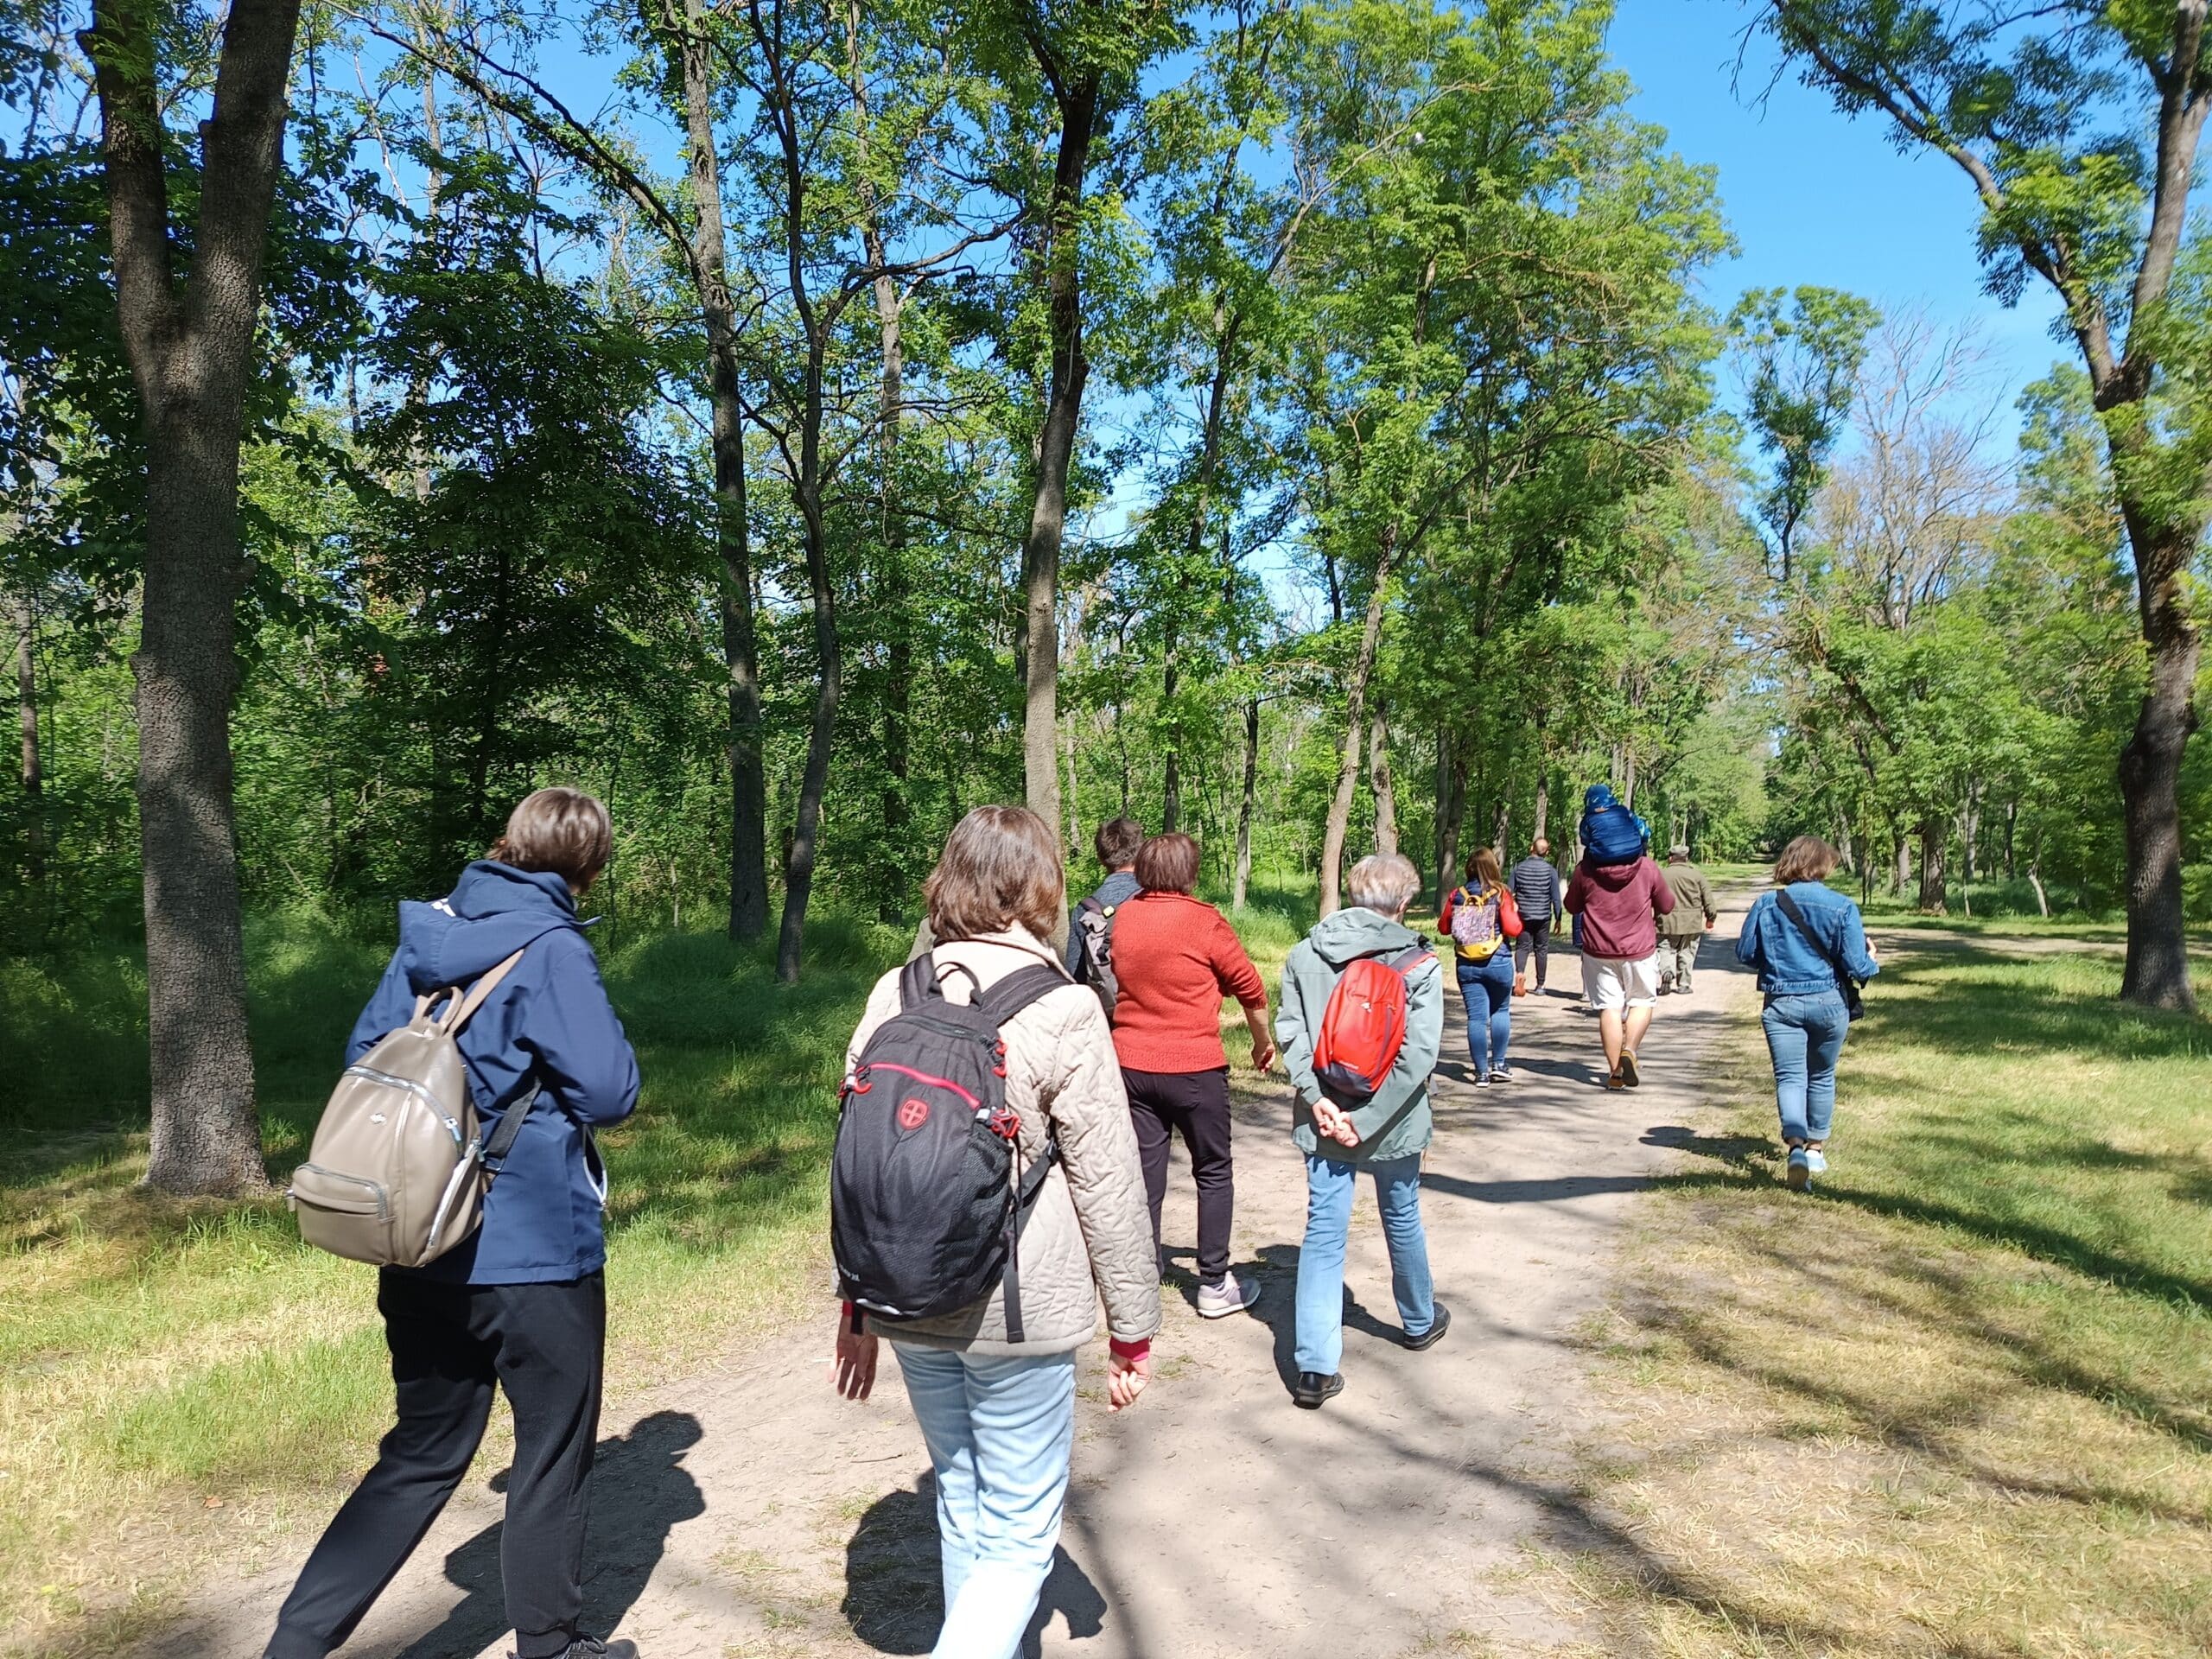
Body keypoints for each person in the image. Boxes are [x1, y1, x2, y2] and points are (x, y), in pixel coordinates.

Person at [265, 789, 641, 1659]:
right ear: (588, 869)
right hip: (532, 1247)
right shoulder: (553, 948)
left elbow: (367, 1056)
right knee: (551, 1447)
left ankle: (295, 1643)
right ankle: (551, 1646)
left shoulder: (428, 933)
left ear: (506, 843)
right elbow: (609, 1091)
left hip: (418, 1236)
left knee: (422, 1451)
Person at [830, 806, 1160, 1659]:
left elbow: (861, 1159)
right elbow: (1109, 1179)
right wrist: (1133, 1326)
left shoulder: (896, 990)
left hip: (906, 1293)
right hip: (1018, 1309)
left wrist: (855, 1306)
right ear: (1041, 886)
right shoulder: (1066, 1007)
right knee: (1017, 1534)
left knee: (962, 1498)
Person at [1274, 853, 1447, 1410]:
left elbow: (1291, 1033)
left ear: (1352, 895)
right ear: (1405, 903)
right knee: (1401, 1212)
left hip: (1324, 1117)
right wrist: (1367, 1120)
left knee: (1324, 1232)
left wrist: (1318, 1100)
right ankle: (1419, 1320)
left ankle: (1315, 1367)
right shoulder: (1419, 963)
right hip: (1395, 1121)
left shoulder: (1306, 953)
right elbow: (1418, 1057)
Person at [1106, 831, 1274, 1317]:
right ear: (1190, 873)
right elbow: (1251, 987)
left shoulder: (1125, 917)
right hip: (1194, 1067)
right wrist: (1262, 1042)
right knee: (1213, 1170)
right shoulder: (1205, 921)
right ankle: (1214, 1283)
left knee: (1144, 1171)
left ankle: (1141, 1275)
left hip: (1131, 1065)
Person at [1737, 836, 1880, 1192]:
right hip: (1829, 1003)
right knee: (1822, 1074)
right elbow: (1857, 966)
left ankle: (1796, 1147)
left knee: (1789, 1077)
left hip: (1781, 1002)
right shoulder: (1843, 906)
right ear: (1823, 865)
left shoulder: (1766, 904)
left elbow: (1745, 953)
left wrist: (1776, 963)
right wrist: (1872, 959)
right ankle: (1815, 1149)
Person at [1563, 836, 1675, 1090]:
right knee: (1642, 1002)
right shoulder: (1647, 867)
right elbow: (1667, 905)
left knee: (1609, 1008)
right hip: (1639, 950)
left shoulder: (1585, 870)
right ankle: (1630, 1051)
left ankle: (1615, 1074)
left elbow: (1571, 905)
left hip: (1598, 951)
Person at [1437, 847, 1520, 1084]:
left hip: (1466, 964)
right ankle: (1499, 1064)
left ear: (1469, 869)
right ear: (1493, 867)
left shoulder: (1457, 894)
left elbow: (1444, 928)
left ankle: (1481, 1072)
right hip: (1498, 960)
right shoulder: (1501, 893)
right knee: (1500, 1011)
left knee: (1476, 1018)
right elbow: (1513, 928)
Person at [1064, 815, 1145, 982]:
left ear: (1101, 858)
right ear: (1140, 853)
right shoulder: (1155, 899)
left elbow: (1075, 976)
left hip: (1103, 996)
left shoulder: (1084, 910)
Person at [1656, 842, 1719, 995]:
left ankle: (1666, 971)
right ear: (1686, 858)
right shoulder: (1697, 876)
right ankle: (1683, 984)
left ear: (1670, 858)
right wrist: (1711, 918)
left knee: (1665, 948)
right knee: (1687, 952)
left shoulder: (1660, 875)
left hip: (1666, 920)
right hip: (1691, 922)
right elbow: (1708, 899)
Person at [1509, 838, 1564, 997]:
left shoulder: (1518, 868)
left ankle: (1520, 974)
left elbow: (1509, 892)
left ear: (1531, 848)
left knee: (1522, 946)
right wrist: (1558, 918)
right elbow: (1556, 897)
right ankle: (1540, 985)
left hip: (1523, 915)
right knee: (1541, 949)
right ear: (1546, 852)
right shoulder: (1550, 871)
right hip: (1543, 916)